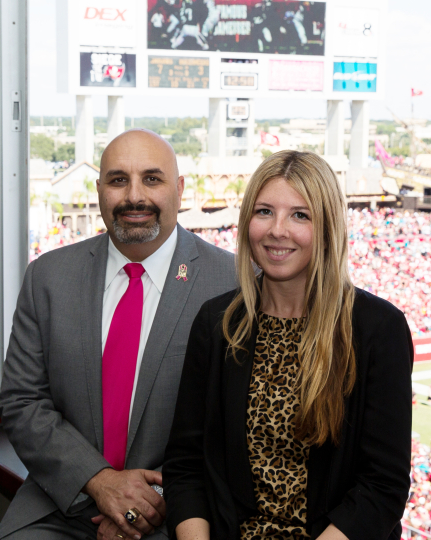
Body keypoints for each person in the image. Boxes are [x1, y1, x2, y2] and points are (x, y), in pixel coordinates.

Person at [0, 130, 236, 540]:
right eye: (118, 180)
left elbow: (238, 429)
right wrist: (101, 482)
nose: (134, 196)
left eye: (152, 179)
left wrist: (144, 501)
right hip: (63, 504)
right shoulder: (48, 277)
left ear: (179, 189)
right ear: (101, 188)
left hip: (182, 515)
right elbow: (21, 400)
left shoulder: (234, 283)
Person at [162, 151, 414, 539]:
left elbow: (382, 488)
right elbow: (186, 466)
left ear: (329, 227)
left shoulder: (378, 329)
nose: (278, 230)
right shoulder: (217, 323)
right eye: (264, 211)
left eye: (300, 215)